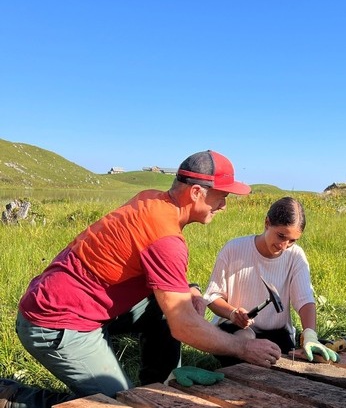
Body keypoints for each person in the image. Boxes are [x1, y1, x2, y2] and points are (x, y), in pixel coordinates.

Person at [3, 150, 282, 408]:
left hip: (75, 302)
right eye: (222, 196)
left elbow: (154, 273)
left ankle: (158, 390)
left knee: (166, 308)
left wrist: (191, 291)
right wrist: (243, 347)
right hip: (55, 322)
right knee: (122, 404)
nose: (223, 206)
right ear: (196, 192)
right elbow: (185, 327)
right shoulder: (165, 238)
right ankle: (13, 397)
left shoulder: (152, 200)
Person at [203, 196, 338, 364]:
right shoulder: (234, 249)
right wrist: (233, 313)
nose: (284, 245)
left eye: (292, 240)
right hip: (234, 330)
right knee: (246, 339)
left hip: (277, 334)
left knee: (286, 366)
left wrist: (310, 335)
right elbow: (212, 297)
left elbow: (305, 300)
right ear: (267, 223)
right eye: (281, 236)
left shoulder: (295, 256)